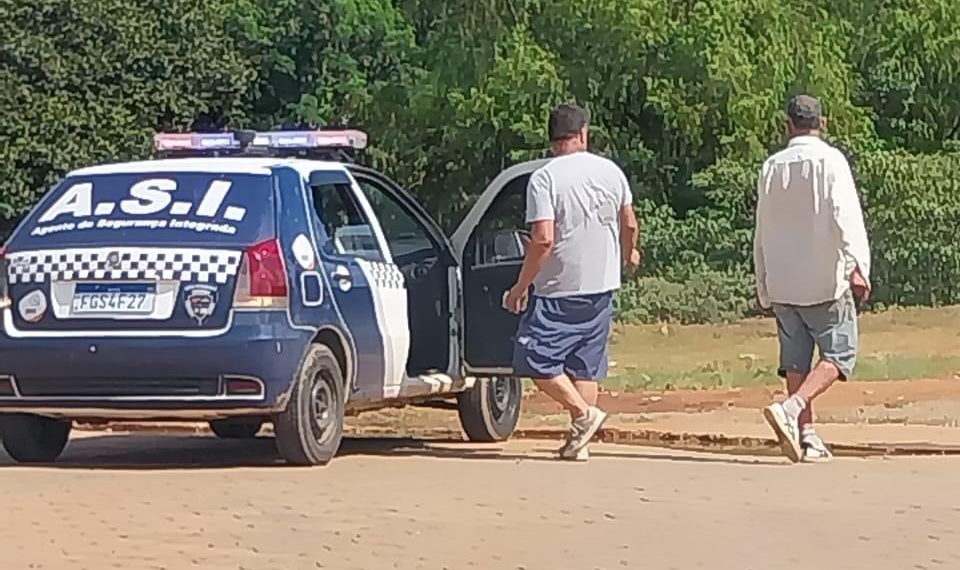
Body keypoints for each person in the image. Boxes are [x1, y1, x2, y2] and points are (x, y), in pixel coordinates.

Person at [503, 103, 641, 461]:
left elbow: (543, 239)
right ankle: (581, 441)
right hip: (602, 284)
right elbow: (629, 223)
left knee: (533, 358)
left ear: (552, 140)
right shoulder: (611, 172)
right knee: (585, 364)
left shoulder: (545, 178)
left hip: (559, 287)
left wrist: (520, 287)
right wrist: (629, 255)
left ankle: (583, 415)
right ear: (583, 134)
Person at [754, 94, 871, 463]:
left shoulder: (771, 166)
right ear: (824, 122)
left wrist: (763, 281)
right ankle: (793, 409)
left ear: (788, 124)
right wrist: (859, 266)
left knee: (795, 361)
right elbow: (847, 216)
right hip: (824, 277)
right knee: (840, 352)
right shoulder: (830, 160)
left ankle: (806, 434)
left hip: (784, 279)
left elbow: (762, 227)